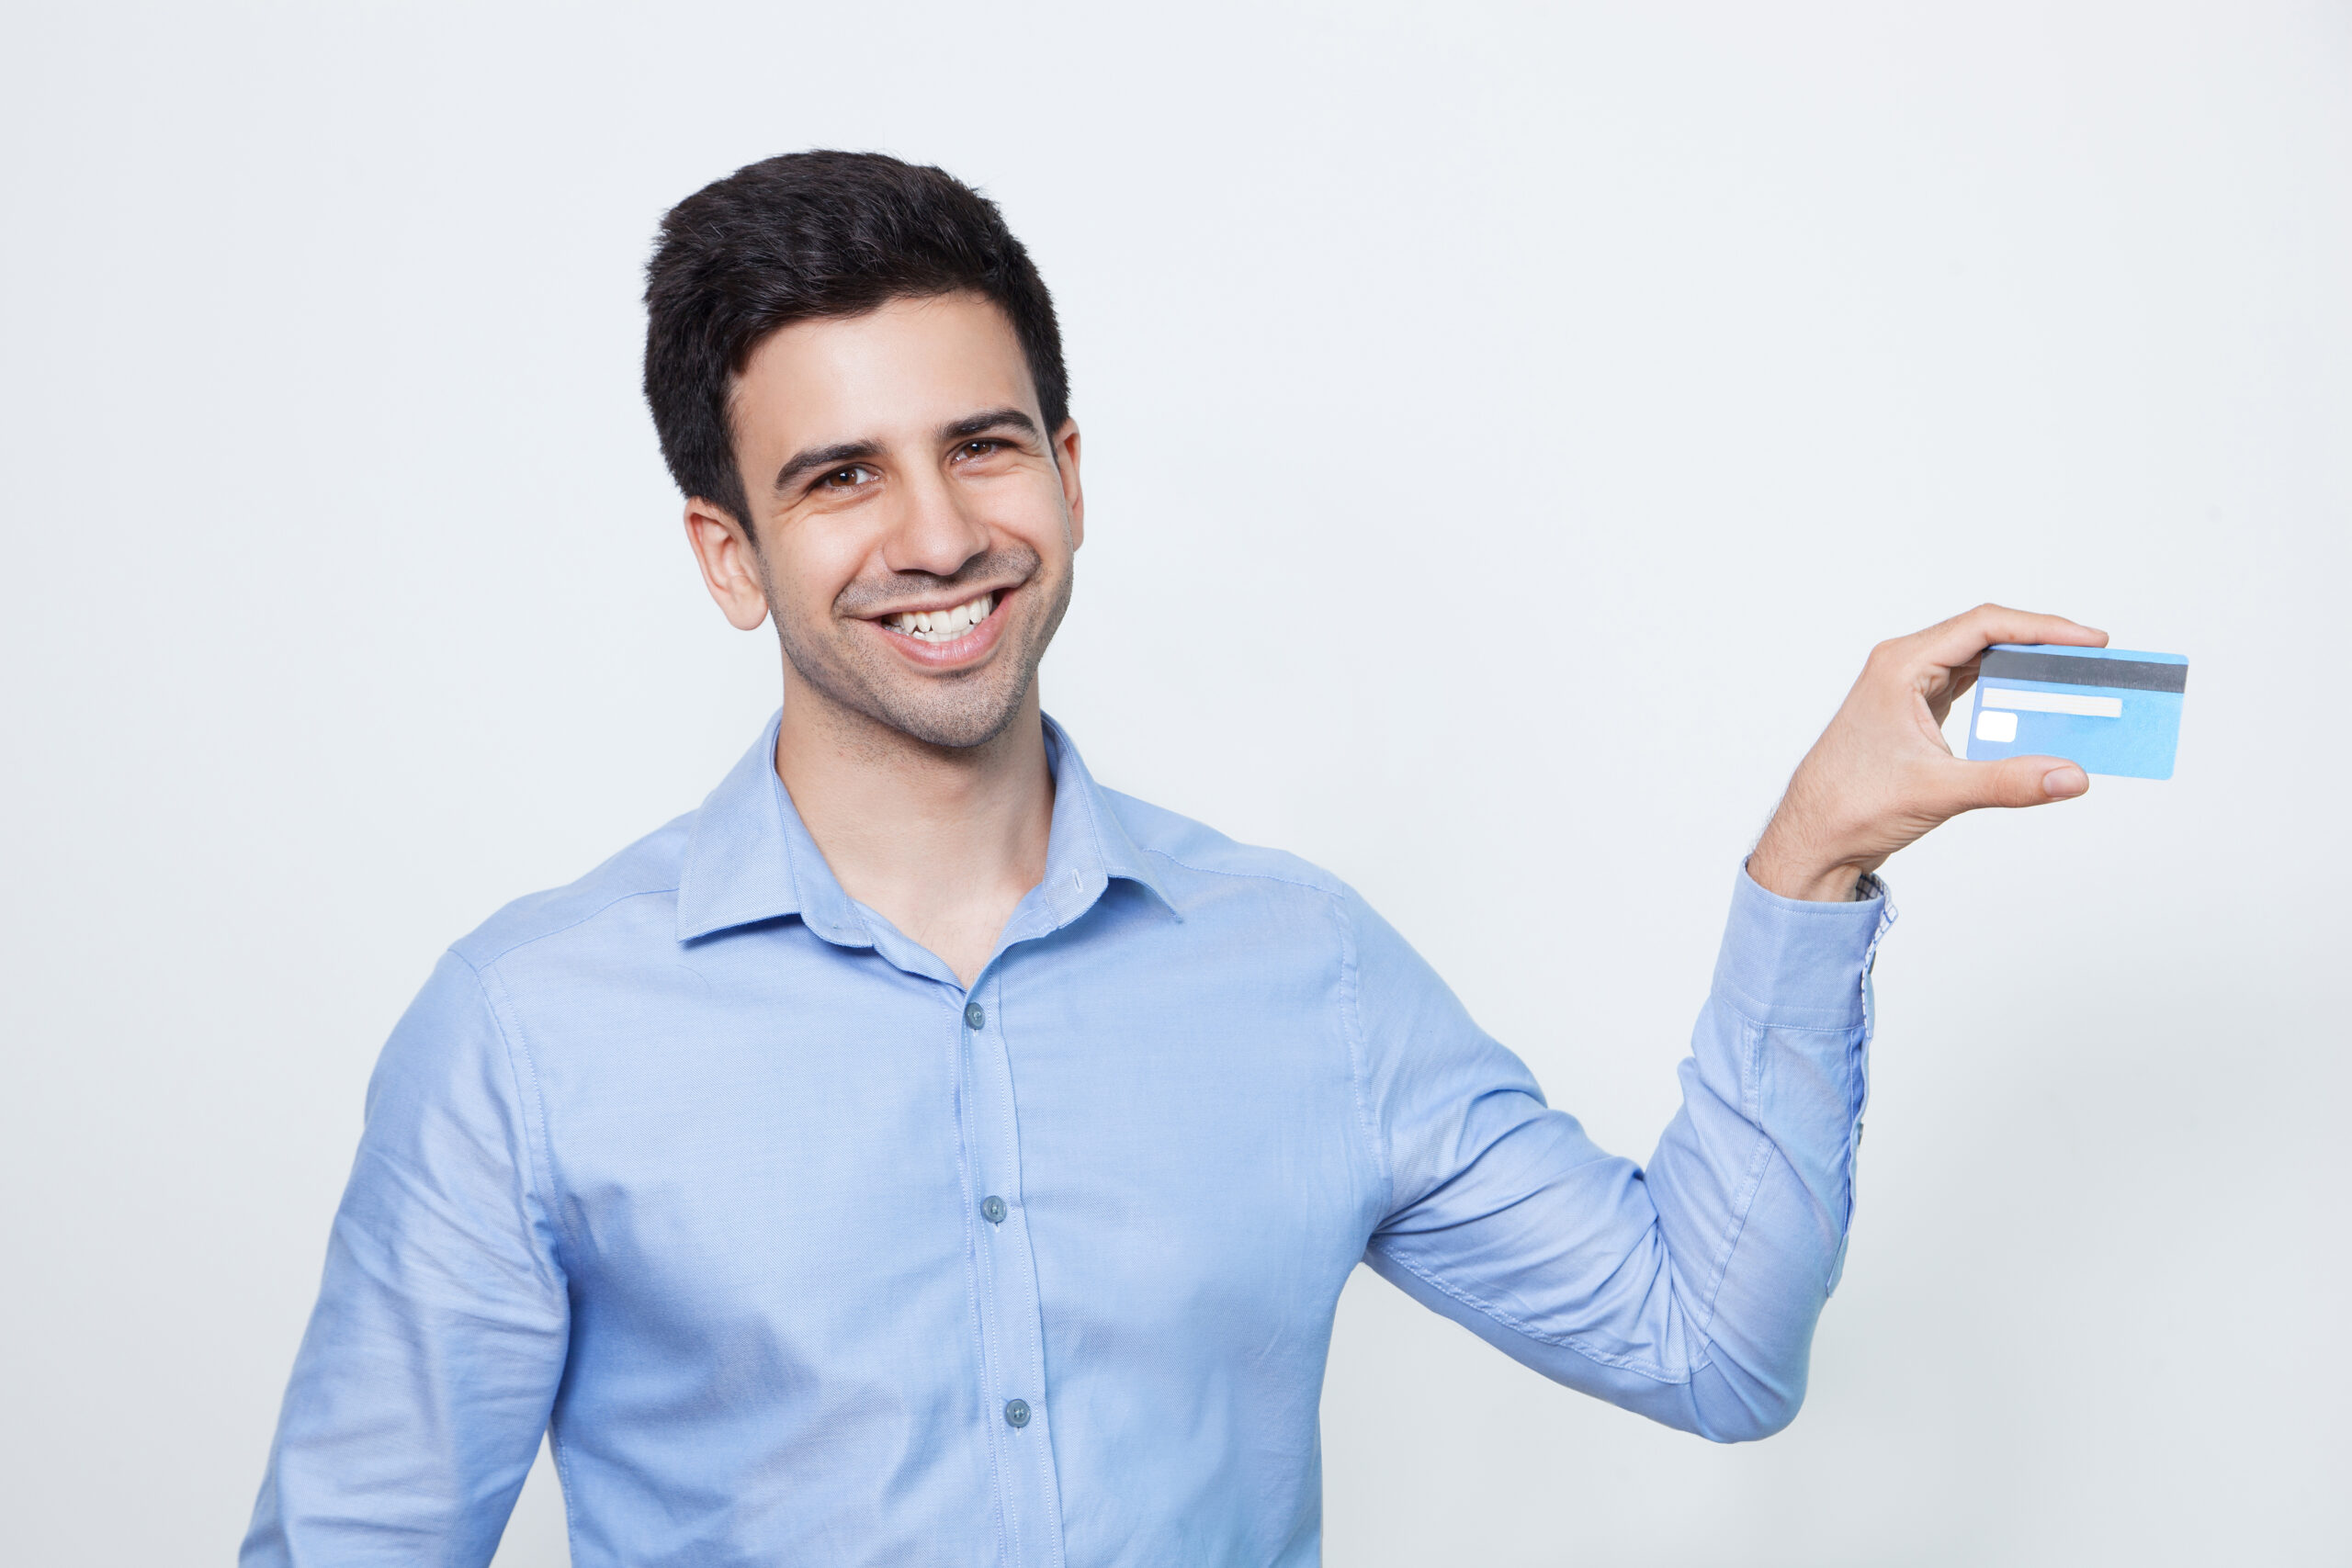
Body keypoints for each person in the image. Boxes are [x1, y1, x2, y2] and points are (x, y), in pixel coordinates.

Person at [243, 151, 2105, 1567]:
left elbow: (1710, 1344)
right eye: (837, 477)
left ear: (1065, 468)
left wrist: (1811, 859)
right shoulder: (531, 1025)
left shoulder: (1295, 965)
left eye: (982, 447)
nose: (937, 532)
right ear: (728, 554)